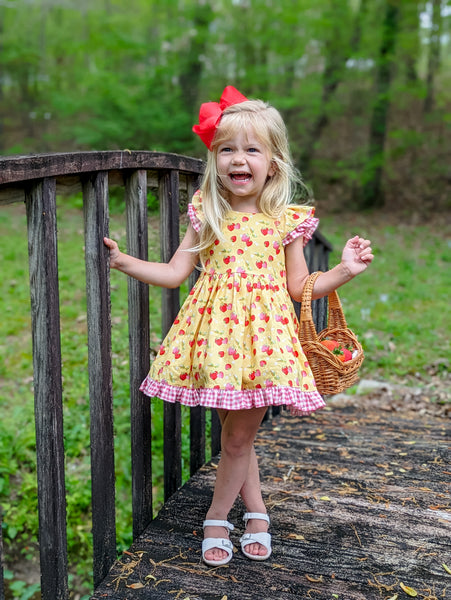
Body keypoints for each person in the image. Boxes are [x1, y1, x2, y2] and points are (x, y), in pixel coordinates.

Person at [104, 86, 373, 567]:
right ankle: (258, 513)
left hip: (265, 344)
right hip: (214, 344)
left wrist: (344, 271)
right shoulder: (207, 210)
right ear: (214, 158)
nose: (238, 159)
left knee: (234, 439)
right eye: (226, 148)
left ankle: (215, 517)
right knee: (237, 437)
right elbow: (173, 273)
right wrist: (124, 261)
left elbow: (297, 286)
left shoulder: (283, 220)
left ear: (273, 163)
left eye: (252, 149)